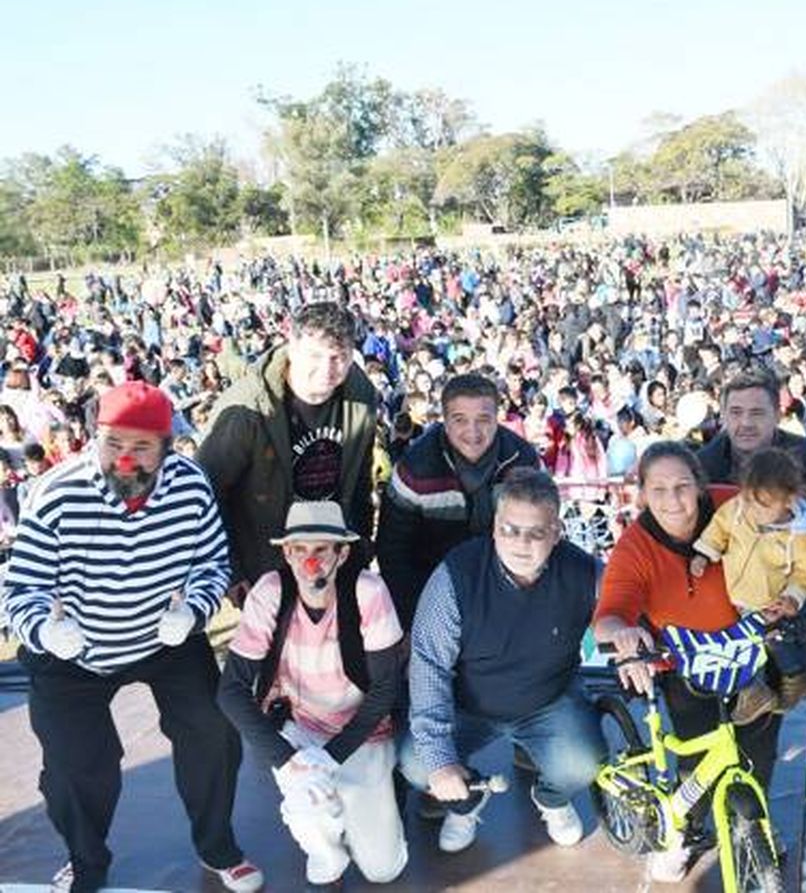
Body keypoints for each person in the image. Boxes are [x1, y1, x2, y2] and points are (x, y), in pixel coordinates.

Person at [1, 381, 262, 893]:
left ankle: (217, 846)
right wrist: (46, 630)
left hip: (166, 637)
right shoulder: (55, 492)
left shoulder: (190, 485)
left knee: (214, 730)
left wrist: (193, 612)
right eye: (112, 443)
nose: (124, 458)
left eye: (141, 447)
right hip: (73, 647)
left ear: (166, 447)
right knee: (78, 768)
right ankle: (85, 860)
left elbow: (211, 564)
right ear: (94, 437)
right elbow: (19, 587)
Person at [593, 441, 785, 883]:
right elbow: (609, 614)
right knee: (695, 765)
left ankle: (753, 824)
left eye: (682, 486)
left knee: (756, 750)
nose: (671, 499)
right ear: (641, 493)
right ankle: (685, 832)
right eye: (657, 489)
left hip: (745, 651)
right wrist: (622, 633)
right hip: (684, 663)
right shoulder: (636, 546)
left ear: (700, 486)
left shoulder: (731, 506)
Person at [400, 468, 604, 855]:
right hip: (468, 706)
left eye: (536, 533)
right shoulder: (454, 576)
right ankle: (467, 801)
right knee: (417, 763)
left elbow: (621, 613)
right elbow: (428, 667)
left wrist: (629, 637)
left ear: (557, 532)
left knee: (583, 763)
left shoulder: (586, 572)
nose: (521, 544)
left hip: (547, 702)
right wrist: (441, 762)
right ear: (495, 526)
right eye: (510, 529)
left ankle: (552, 799)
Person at [217, 502, 407, 888]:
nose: (310, 561)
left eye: (322, 549)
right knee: (307, 803)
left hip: (360, 730)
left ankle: (371, 804)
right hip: (298, 726)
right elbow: (231, 691)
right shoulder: (270, 592)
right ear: (286, 552)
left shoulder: (367, 591)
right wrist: (286, 760)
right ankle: (326, 852)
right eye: (299, 549)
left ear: (343, 552)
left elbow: (387, 687)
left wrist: (333, 755)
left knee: (382, 869)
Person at [198, 302, 379, 605]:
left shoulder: (361, 397)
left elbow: (360, 480)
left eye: (339, 358)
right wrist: (231, 570)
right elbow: (206, 492)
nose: (327, 369)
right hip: (266, 564)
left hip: (334, 560)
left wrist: (360, 548)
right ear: (292, 348)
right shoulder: (248, 409)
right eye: (315, 356)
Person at [376, 372, 541, 629]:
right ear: (444, 421)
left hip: (505, 594)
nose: (473, 432)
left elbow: (536, 532)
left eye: (484, 419)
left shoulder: (522, 460)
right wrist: (416, 620)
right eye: (460, 420)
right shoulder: (416, 468)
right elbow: (393, 551)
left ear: (497, 418)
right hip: (433, 591)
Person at [690, 446, 806, 724]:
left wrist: (792, 599)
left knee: (775, 642)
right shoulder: (736, 511)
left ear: (789, 500)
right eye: (747, 500)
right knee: (742, 642)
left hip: (774, 602)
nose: (752, 511)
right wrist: (705, 553)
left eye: (762, 505)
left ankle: (795, 677)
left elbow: (804, 573)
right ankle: (755, 690)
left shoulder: (799, 536)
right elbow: (719, 529)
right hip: (741, 596)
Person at [697, 367, 806, 540]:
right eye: (736, 412)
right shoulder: (702, 467)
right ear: (724, 416)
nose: (746, 423)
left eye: (757, 413)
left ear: (777, 416)